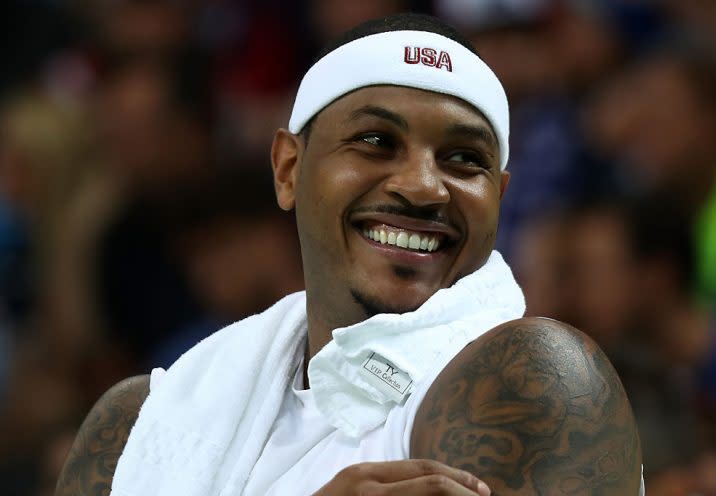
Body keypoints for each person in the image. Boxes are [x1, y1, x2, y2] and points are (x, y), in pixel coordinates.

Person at [55, 13, 643, 496]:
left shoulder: (531, 380)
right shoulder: (135, 424)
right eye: (376, 142)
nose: (422, 187)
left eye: (464, 158)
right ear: (288, 170)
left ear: (500, 196)